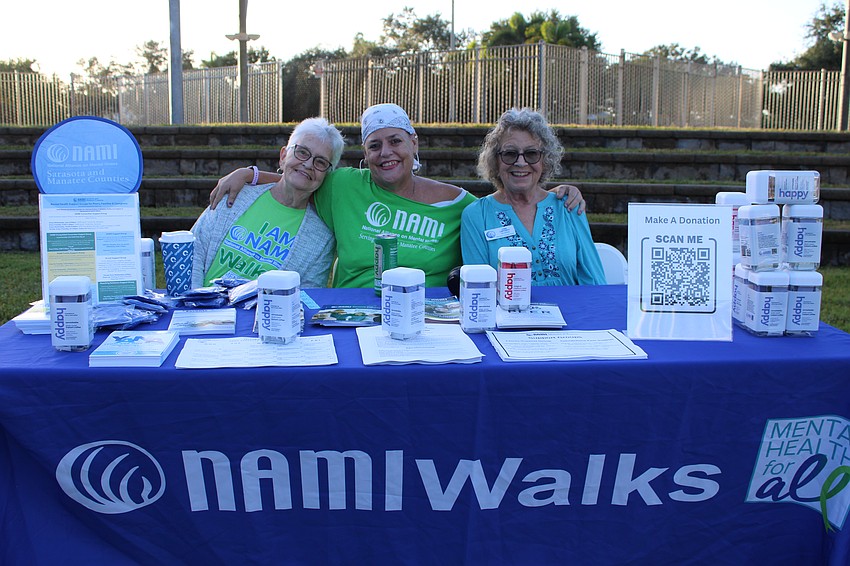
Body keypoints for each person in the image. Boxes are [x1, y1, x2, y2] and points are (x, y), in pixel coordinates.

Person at [209, 103, 587, 288]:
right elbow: (304, 174)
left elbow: (505, 205)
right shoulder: (343, 186)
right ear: (365, 155)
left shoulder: (459, 205)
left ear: (414, 144)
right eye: (375, 146)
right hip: (351, 315)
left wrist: (547, 194)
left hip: (428, 318)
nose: (386, 152)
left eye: (395, 141)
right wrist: (253, 173)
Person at [190, 117, 344, 288]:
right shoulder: (237, 193)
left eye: (320, 162)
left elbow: (307, 292)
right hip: (205, 307)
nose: (308, 164)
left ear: (327, 175)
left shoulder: (321, 237)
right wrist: (195, 303)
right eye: (302, 152)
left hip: (267, 313)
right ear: (283, 156)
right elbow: (193, 251)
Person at [461, 108, 606, 285]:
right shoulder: (477, 216)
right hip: (505, 313)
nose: (520, 162)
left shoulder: (568, 206)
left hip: (571, 311)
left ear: (545, 160)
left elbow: (595, 282)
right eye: (509, 154)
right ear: (495, 161)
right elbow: (479, 288)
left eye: (531, 154)